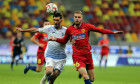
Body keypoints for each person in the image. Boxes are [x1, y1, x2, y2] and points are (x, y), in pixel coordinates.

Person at [48, 11, 123, 84]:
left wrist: (113, 32)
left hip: (87, 55)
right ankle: (82, 70)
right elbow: (64, 40)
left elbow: (100, 30)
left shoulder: (87, 26)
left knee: (92, 79)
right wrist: (55, 39)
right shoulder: (69, 29)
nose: (77, 18)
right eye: (75, 17)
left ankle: (82, 70)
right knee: (85, 76)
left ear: (81, 18)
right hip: (77, 56)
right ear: (74, 18)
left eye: (79, 17)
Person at [16, 13, 67, 84]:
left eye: (57, 20)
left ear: (61, 20)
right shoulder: (48, 29)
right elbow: (35, 31)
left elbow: (70, 38)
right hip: (47, 53)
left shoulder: (65, 30)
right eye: (54, 20)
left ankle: (47, 77)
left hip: (60, 56)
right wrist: (23, 30)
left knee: (54, 74)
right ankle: (44, 75)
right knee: (44, 70)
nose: (55, 22)